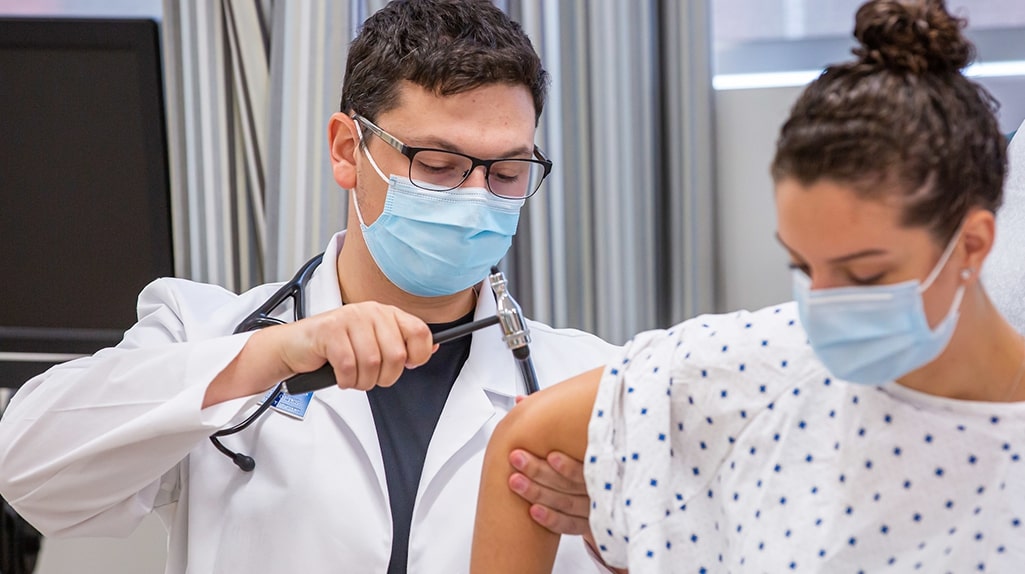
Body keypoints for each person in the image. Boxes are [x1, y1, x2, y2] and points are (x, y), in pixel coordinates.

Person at [0, 1, 622, 572]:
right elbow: (26, 465)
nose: (476, 196)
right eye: (438, 166)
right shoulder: (209, 334)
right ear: (348, 150)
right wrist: (273, 355)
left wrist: (616, 542)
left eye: (509, 172)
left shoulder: (591, 380)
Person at [470, 0, 1025, 572]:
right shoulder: (747, 364)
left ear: (974, 244)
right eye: (806, 268)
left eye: (864, 274)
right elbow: (526, 441)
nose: (825, 306)